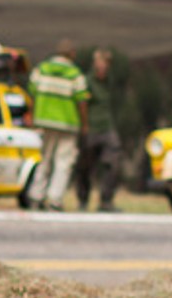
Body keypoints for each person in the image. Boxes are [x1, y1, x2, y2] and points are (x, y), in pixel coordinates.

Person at [24, 38, 89, 211]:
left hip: (44, 121)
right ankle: (55, 199)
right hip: (67, 123)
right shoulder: (75, 74)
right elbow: (82, 100)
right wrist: (84, 124)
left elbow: (31, 91)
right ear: (71, 54)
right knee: (63, 162)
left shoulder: (42, 69)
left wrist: (31, 113)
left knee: (44, 159)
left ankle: (36, 196)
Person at [73, 47, 122, 212]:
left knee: (113, 163)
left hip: (107, 127)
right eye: (100, 63)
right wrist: (83, 126)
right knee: (85, 166)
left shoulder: (109, 80)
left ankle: (106, 200)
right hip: (90, 127)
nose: (103, 67)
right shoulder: (87, 81)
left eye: (106, 64)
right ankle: (83, 200)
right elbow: (81, 104)